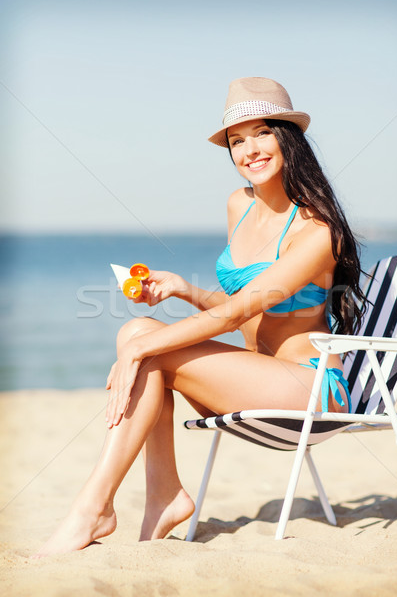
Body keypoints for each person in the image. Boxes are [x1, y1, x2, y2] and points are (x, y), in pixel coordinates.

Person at [34, 77, 366, 557]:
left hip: (309, 389)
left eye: (262, 133)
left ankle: (95, 509)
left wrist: (141, 351)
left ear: (287, 139)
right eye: (236, 140)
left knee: (146, 347)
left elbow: (237, 312)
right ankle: (162, 495)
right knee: (136, 330)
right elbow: (247, 310)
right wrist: (184, 291)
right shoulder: (240, 205)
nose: (248, 149)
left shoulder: (317, 230)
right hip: (254, 376)